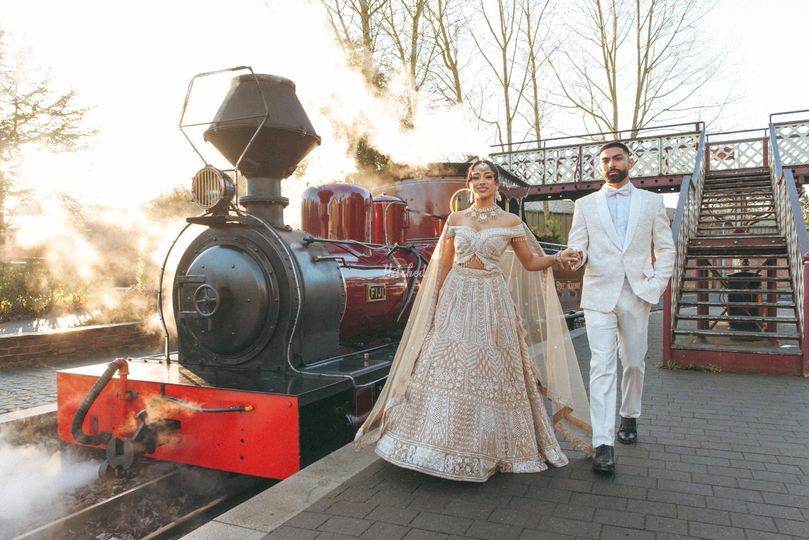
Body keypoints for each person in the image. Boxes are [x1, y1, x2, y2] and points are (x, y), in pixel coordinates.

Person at [354, 159, 592, 482]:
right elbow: (444, 266)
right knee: (445, 367)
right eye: (476, 177)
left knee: (487, 370)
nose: (482, 182)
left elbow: (530, 261)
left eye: (488, 177)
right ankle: (435, 444)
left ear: (496, 184)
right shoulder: (455, 219)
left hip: (491, 301)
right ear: (469, 185)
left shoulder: (510, 222)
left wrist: (556, 258)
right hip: (456, 296)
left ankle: (484, 447)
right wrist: (436, 305)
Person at [563, 142, 675, 473]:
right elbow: (577, 245)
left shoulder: (653, 202)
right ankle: (602, 442)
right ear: (600, 167)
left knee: (635, 363)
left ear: (630, 162)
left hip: (637, 293)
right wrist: (575, 257)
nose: (611, 164)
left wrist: (655, 285)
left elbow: (666, 249)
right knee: (601, 365)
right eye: (605, 160)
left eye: (617, 158)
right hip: (598, 294)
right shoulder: (584, 205)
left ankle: (630, 415)